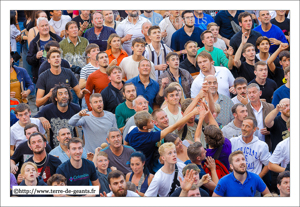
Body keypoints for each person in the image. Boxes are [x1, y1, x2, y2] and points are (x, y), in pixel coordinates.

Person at [125, 107, 202, 170]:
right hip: (144, 167)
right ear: (144, 127)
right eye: (151, 122)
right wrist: (192, 113)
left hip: (132, 163)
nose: (153, 121)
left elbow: (126, 143)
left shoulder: (133, 130)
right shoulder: (150, 137)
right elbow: (173, 127)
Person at [34, 83, 81, 148]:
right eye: (60, 94)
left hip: (72, 148)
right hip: (54, 148)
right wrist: (41, 118)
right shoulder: (48, 109)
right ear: (56, 98)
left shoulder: (75, 108)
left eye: (66, 93)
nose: (64, 96)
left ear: (69, 96)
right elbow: (33, 119)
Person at [27, 17, 62, 84]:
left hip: (58, 74)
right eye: (42, 26)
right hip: (41, 75)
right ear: (37, 28)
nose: (45, 27)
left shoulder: (56, 39)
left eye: (46, 25)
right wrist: (36, 57)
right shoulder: (34, 42)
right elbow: (29, 59)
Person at [246, 83, 274, 149]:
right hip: (251, 146)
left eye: (254, 92)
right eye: (249, 93)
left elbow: (276, 125)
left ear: (260, 93)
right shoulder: (244, 109)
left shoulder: (270, 107)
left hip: (268, 145)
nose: (251, 95)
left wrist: (270, 131)